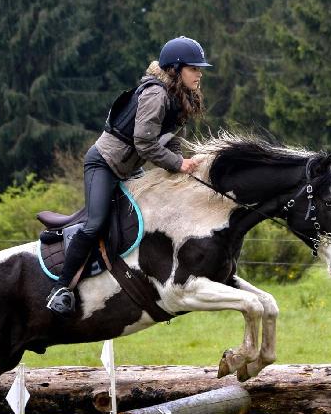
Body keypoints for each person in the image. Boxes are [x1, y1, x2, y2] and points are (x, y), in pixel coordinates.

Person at [46, 36, 212, 314]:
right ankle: (61, 288)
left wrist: (182, 164)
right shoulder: (156, 94)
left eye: (199, 69)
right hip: (103, 164)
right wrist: (177, 163)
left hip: (129, 168)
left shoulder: (178, 99)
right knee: (96, 223)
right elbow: (144, 143)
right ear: (176, 69)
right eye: (194, 68)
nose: (199, 73)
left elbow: (168, 140)